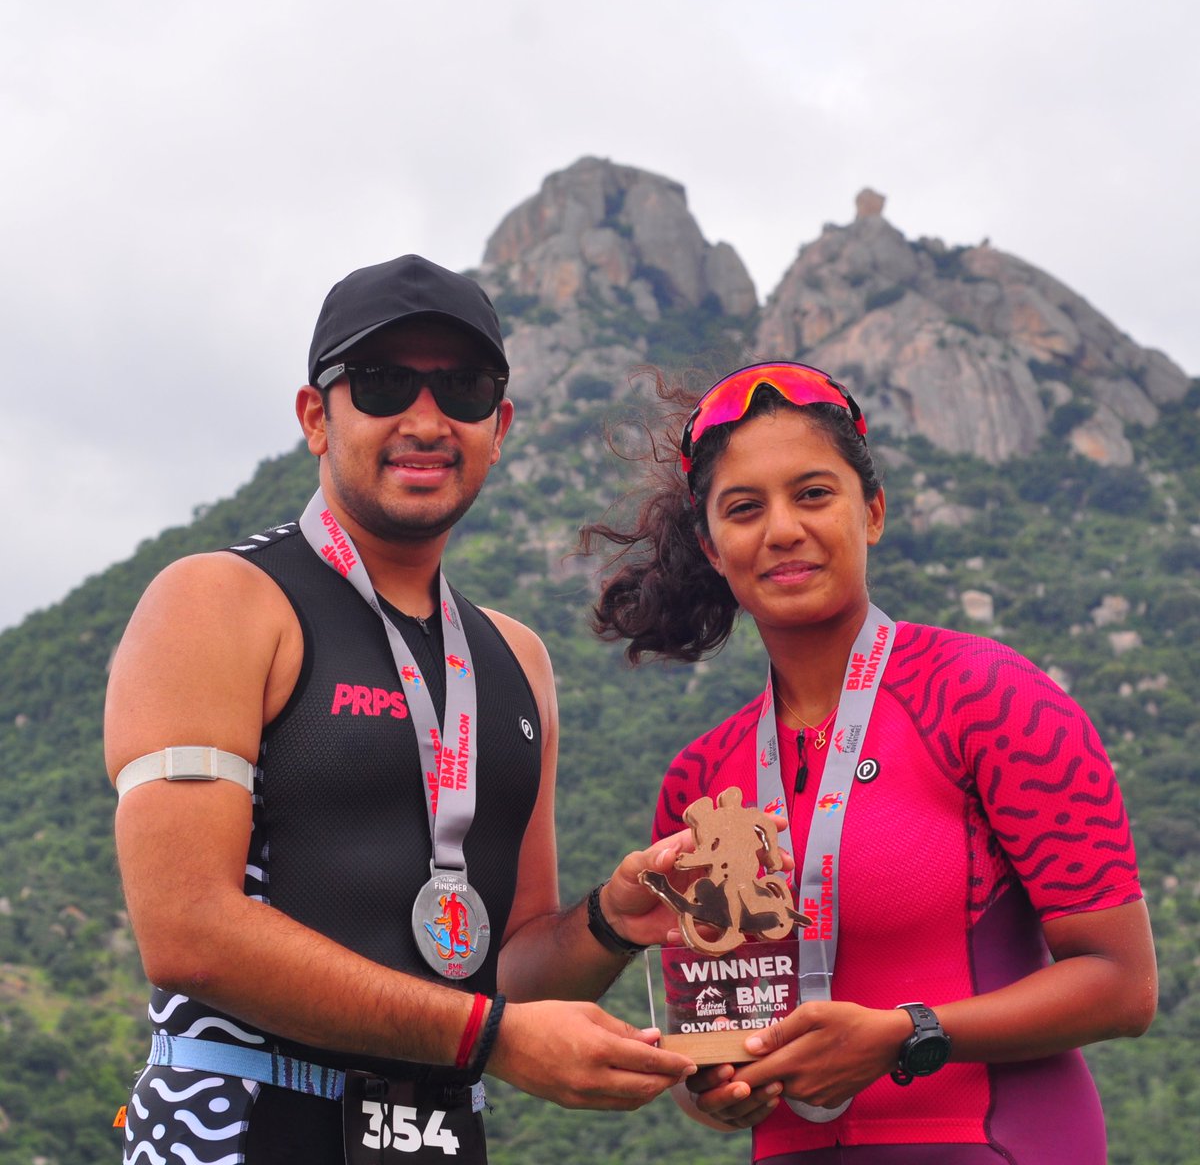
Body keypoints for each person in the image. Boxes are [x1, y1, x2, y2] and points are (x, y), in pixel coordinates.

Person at [104, 254, 698, 1165]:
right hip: (236, 1129)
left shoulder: (517, 662)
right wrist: (490, 1039)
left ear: (498, 427)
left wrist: (612, 920)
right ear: (316, 416)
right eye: (382, 384)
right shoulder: (219, 602)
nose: (426, 419)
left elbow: (510, 968)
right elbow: (187, 931)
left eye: (461, 388)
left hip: (439, 1135)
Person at [582, 361, 1158, 1164]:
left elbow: (1122, 985)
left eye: (813, 494)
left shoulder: (989, 698)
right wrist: (715, 1089)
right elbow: (715, 1056)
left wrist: (907, 1034)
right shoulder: (702, 782)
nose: (783, 529)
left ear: (873, 511)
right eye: (745, 509)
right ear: (714, 550)